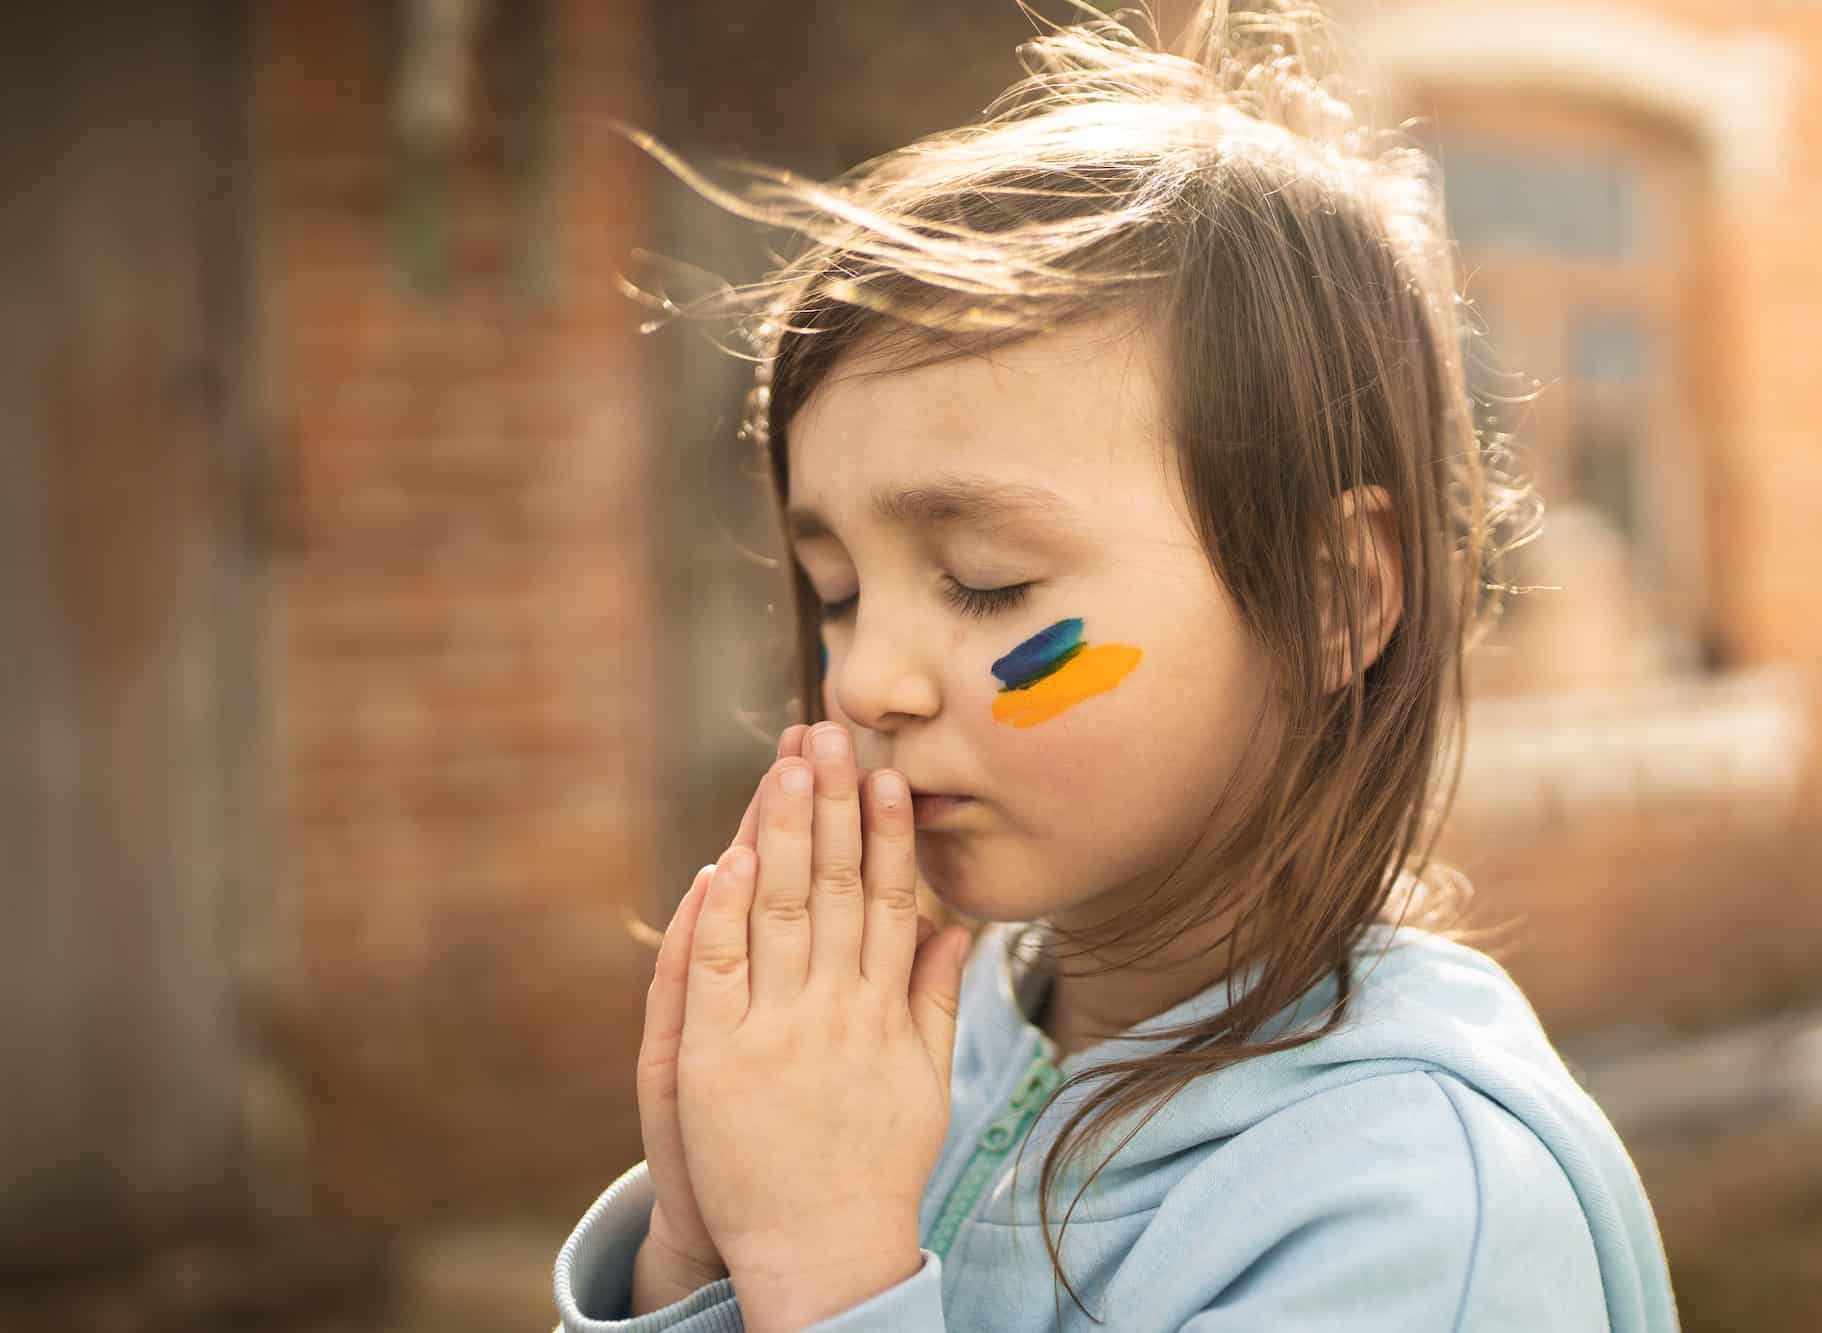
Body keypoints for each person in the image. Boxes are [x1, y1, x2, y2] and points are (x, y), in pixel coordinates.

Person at [554, 2, 1680, 1329]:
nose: (864, 681)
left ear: (1332, 595)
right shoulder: (944, 1043)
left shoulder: (1425, 1214)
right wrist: (697, 1256)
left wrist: (828, 1265)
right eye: (837, 592)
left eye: (986, 581)